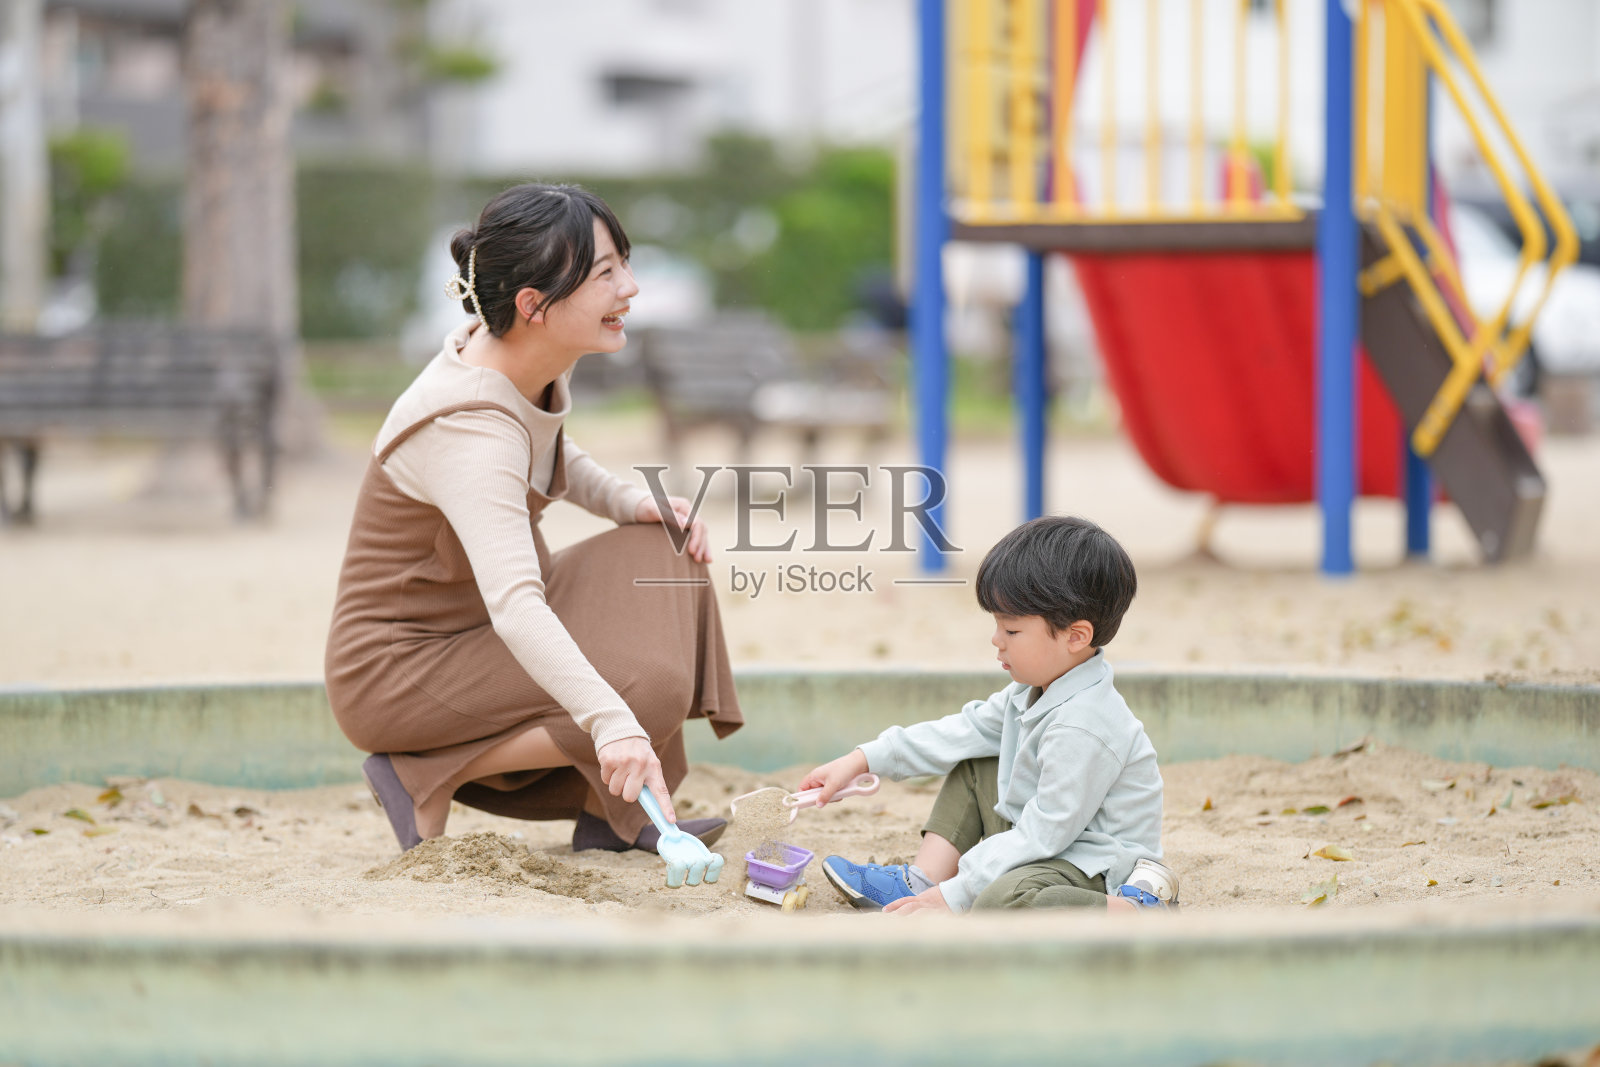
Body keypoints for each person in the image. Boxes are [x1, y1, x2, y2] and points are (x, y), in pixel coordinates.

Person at [325, 183, 741, 854]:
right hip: (403, 667)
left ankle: (611, 817)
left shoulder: (513, 363)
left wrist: (629, 501)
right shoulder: (470, 430)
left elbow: (549, 448)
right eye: (606, 273)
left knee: (665, 550)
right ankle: (418, 771)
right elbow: (517, 606)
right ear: (532, 305)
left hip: (471, 633)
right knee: (645, 687)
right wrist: (614, 723)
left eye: (623, 264)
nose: (630, 288)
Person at [801, 515, 1176, 913]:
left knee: (1002, 900)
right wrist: (861, 759)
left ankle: (1137, 910)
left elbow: (1045, 833)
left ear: (1075, 636)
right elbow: (960, 732)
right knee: (977, 760)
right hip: (1055, 842)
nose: (996, 640)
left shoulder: (1085, 725)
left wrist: (953, 897)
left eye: (1011, 630)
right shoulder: (1031, 692)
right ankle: (921, 881)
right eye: (997, 625)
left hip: (1095, 864)